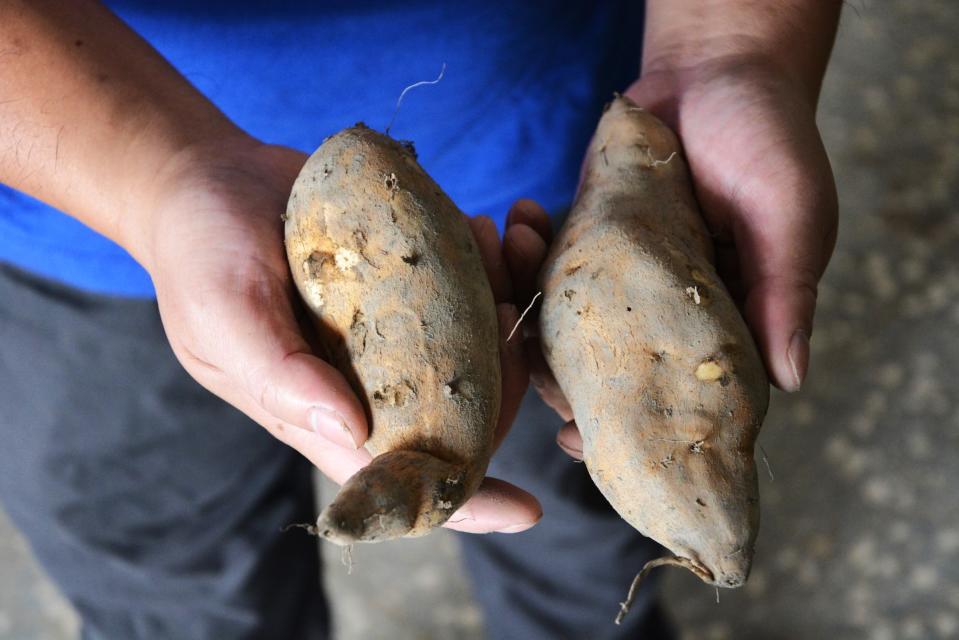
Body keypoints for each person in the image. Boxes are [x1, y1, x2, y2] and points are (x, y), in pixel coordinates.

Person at [0, 1, 840, 638]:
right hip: (78, 200)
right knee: (176, 579)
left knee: (579, 541)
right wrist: (154, 176)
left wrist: (730, 47)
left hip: (563, 170)